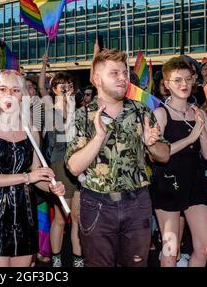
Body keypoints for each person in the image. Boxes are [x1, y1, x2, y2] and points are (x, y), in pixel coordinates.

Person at [66, 49, 170, 267]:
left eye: (125, 72)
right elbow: (74, 167)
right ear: (97, 79)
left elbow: (164, 155)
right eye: (114, 73)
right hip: (96, 204)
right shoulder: (82, 116)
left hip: (138, 202)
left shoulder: (141, 111)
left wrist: (151, 144)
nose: (123, 78)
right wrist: (98, 138)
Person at [0, 69, 65, 267]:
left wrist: (51, 187)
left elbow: (37, 176)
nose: (8, 95)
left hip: (26, 214)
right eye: (3, 89)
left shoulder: (31, 131)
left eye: (15, 90)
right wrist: (27, 178)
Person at [150, 57, 207, 267]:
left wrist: (202, 128)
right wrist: (190, 138)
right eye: (177, 80)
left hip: (194, 182)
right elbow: (157, 155)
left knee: (204, 247)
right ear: (167, 84)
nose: (184, 84)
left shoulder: (198, 113)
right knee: (170, 252)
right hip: (168, 185)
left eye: (187, 79)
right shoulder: (161, 114)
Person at [40, 70, 83, 267]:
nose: (67, 89)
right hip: (60, 167)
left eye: (70, 86)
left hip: (80, 167)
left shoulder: (80, 110)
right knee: (60, 217)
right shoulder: (49, 111)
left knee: (77, 218)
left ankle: (78, 259)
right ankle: (56, 259)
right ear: (55, 89)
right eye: (62, 86)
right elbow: (63, 138)